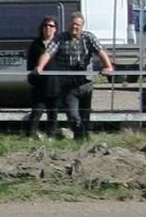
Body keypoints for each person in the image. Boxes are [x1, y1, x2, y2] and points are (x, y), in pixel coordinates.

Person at [37, 12, 114, 140]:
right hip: (68, 86)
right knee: (73, 115)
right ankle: (79, 137)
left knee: (85, 115)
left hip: (85, 84)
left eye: (77, 25)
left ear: (82, 26)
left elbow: (101, 52)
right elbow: (48, 53)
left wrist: (108, 67)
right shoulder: (60, 38)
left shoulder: (89, 37)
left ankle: (83, 140)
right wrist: (40, 67)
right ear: (68, 24)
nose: (74, 27)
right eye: (72, 24)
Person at [24, 17, 61, 138]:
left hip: (55, 84)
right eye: (45, 26)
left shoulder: (58, 44)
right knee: (36, 112)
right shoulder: (35, 44)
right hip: (39, 85)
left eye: (51, 26)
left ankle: (51, 136)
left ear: (55, 29)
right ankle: (30, 136)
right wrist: (32, 78)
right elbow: (30, 64)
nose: (48, 28)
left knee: (53, 113)